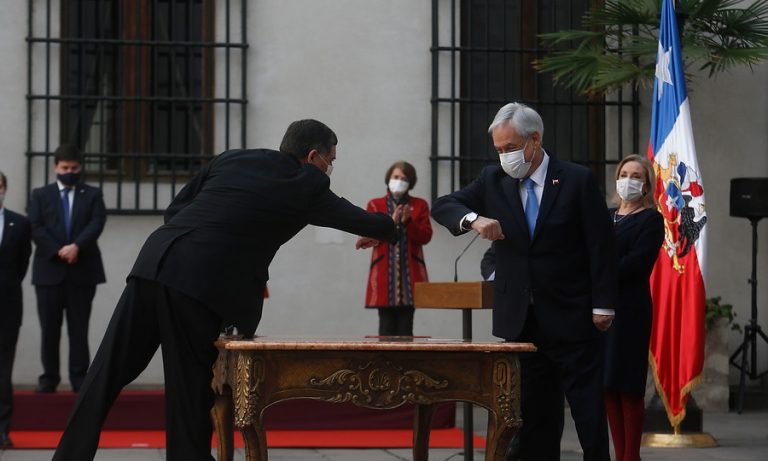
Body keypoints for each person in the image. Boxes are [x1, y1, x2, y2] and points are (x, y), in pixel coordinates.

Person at [51, 119, 395, 461]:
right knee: (188, 390)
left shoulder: (234, 158)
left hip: (152, 264)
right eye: (330, 160)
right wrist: (390, 225)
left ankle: (67, 457)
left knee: (106, 372)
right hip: (198, 286)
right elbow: (356, 218)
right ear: (312, 156)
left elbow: (175, 209)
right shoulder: (306, 183)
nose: (330, 167)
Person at [431, 102, 618, 461]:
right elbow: (444, 205)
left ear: (534, 140)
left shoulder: (575, 179)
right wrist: (473, 219)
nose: (504, 157)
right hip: (522, 322)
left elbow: (601, 246)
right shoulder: (493, 180)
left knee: (588, 413)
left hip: (573, 316)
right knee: (534, 414)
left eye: (511, 148)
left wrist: (603, 304)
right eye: (499, 150)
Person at [28, 145, 106, 393]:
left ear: (79, 168)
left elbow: (97, 222)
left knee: (79, 328)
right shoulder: (41, 195)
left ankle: (79, 379)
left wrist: (76, 247)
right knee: (49, 329)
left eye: (74, 168)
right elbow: (35, 226)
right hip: (49, 271)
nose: (69, 172)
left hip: (82, 272)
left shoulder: (92, 194)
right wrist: (59, 250)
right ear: (55, 167)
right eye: (65, 168)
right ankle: (49, 378)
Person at [603, 155, 664, 461]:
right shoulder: (607, 215)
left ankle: (631, 457)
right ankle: (620, 455)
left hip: (630, 310)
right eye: (624, 173)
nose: (629, 179)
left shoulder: (651, 219)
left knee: (628, 385)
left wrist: (599, 270)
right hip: (600, 308)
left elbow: (637, 264)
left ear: (646, 185)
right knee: (607, 385)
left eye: (636, 176)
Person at [359, 161, 432, 336]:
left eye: (404, 178)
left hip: (411, 275)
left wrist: (408, 222)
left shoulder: (420, 205)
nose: (399, 181)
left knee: (406, 330)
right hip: (384, 275)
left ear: (410, 182)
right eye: (396, 177)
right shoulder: (375, 205)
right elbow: (370, 235)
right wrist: (391, 222)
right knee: (385, 329)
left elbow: (425, 237)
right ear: (389, 179)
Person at [0, 171, 32, 448]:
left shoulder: (19, 224)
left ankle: (2, 430)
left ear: (5, 189)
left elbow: (21, 265)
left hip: (7, 308)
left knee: (3, 372)